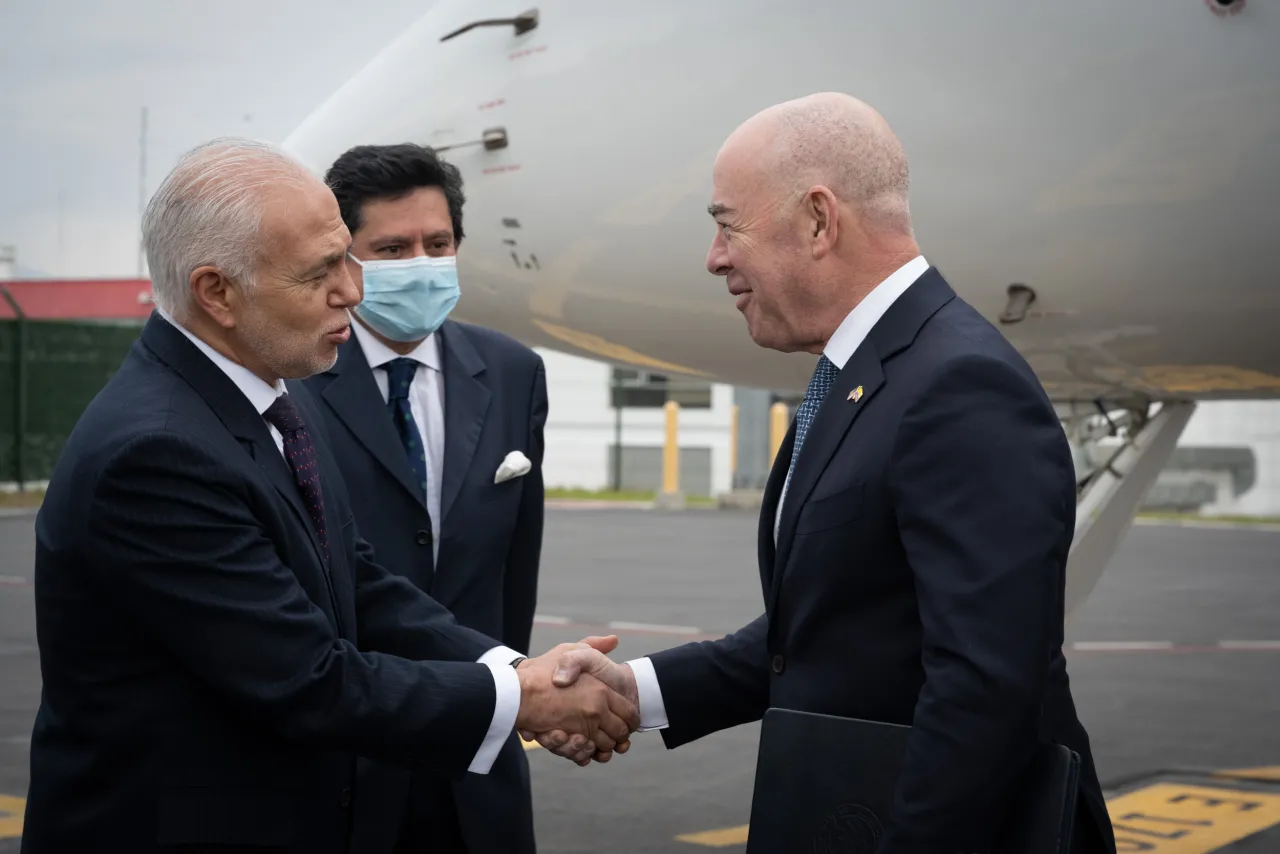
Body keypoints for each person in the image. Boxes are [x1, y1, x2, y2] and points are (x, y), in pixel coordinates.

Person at [21, 137, 634, 854]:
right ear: (217, 291)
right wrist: (525, 699)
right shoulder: (157, 451)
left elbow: (360, 581)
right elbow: (309, 679)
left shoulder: (260, 399)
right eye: (319, 272)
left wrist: (510, 667)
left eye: (347, 255)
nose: (352, 288)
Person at [542, 94, 1117, 853]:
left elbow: (985, 690)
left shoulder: (959, 386)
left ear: (818, 219)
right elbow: (827, 627)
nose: (714, 257)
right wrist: (636, 691)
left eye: (726, 224)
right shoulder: (865, 374)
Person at [300, 142, 546, 854]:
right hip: (345, 760)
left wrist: (520, 686)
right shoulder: (295, 378)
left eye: (437, 244)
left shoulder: (513, 371)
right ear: (344, 260)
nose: (421, 264)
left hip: (479, 758)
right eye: (393, 247)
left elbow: (514, 574)